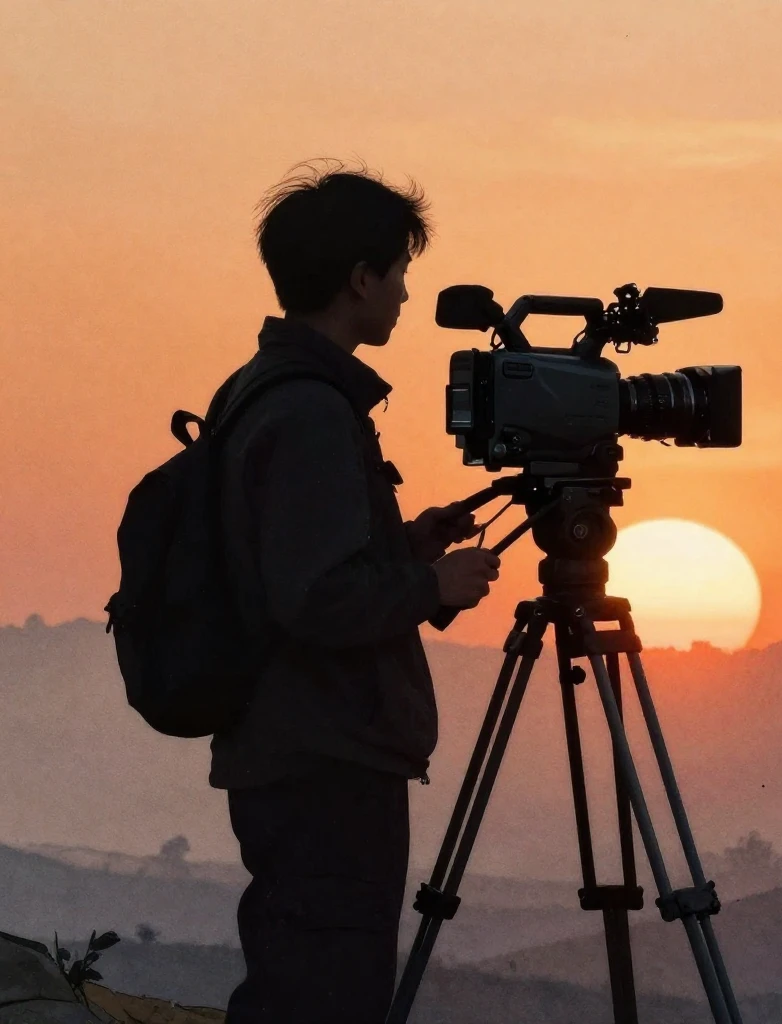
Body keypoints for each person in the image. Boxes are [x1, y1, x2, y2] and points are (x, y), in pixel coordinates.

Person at [206, 159, 501, 1024]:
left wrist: (412, 546)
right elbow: (317, 600)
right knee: (322, 999)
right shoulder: (311, 412)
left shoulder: (264, 391)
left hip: (293, 746)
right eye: (399, 273)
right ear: (360, 279)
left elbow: (289, 568)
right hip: (324, 757)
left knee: (299, 981)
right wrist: (432, 584)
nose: (407, 295)